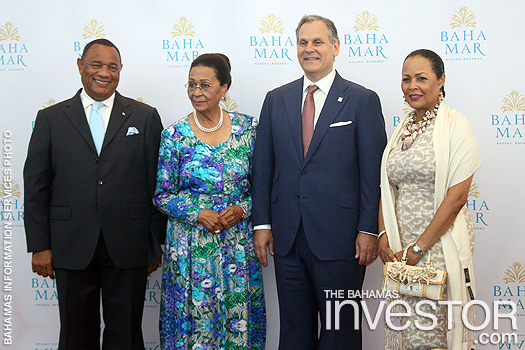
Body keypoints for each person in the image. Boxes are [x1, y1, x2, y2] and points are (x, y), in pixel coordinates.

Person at [252, 15, 387, 350]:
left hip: (342, 239)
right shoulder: (275, 99)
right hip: (286, 236)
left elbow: (373, 173)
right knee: (294, 329)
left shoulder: (361, 99)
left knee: (341, 332)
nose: (309, 49)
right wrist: (262, 224)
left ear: (335, 47)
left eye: (317, 42)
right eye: (303, 42)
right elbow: (263, 167)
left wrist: (368, 229)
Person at [23, 38, 167, 349]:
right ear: (80, 66)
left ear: (120, 71)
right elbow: (36, 186)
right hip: (70, 244)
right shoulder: (50, 119)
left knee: (126, 335)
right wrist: (40, 245)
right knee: (75, 335)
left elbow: (158, 184)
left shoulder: (144, 116)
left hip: (130, 245)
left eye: (112, 67)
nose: (105, 72)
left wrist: (154, 243)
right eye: (97, 65)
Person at [153, 53, 266, 349]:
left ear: (224, 88)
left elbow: (266, 187)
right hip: (190, 246)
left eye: (205, 85)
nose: (196, 92)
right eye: (191, 85)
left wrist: (244, 209)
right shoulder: (174, 135)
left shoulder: (249, 131)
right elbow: (162, 194)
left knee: (238, 317)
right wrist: (197, 212)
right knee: (191, 321)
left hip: (237, 245)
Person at [378, 49, 481, 349]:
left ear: (441, 80)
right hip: (401, 251)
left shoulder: (455, 126)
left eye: (422, 78)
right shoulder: (403, 127)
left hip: (437, 247)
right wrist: (384, 235)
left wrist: (421, 247)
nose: (413, 86)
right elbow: (386, 188)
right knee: (408, 334)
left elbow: (458, 197)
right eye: (406, 79)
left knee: (435, 334)